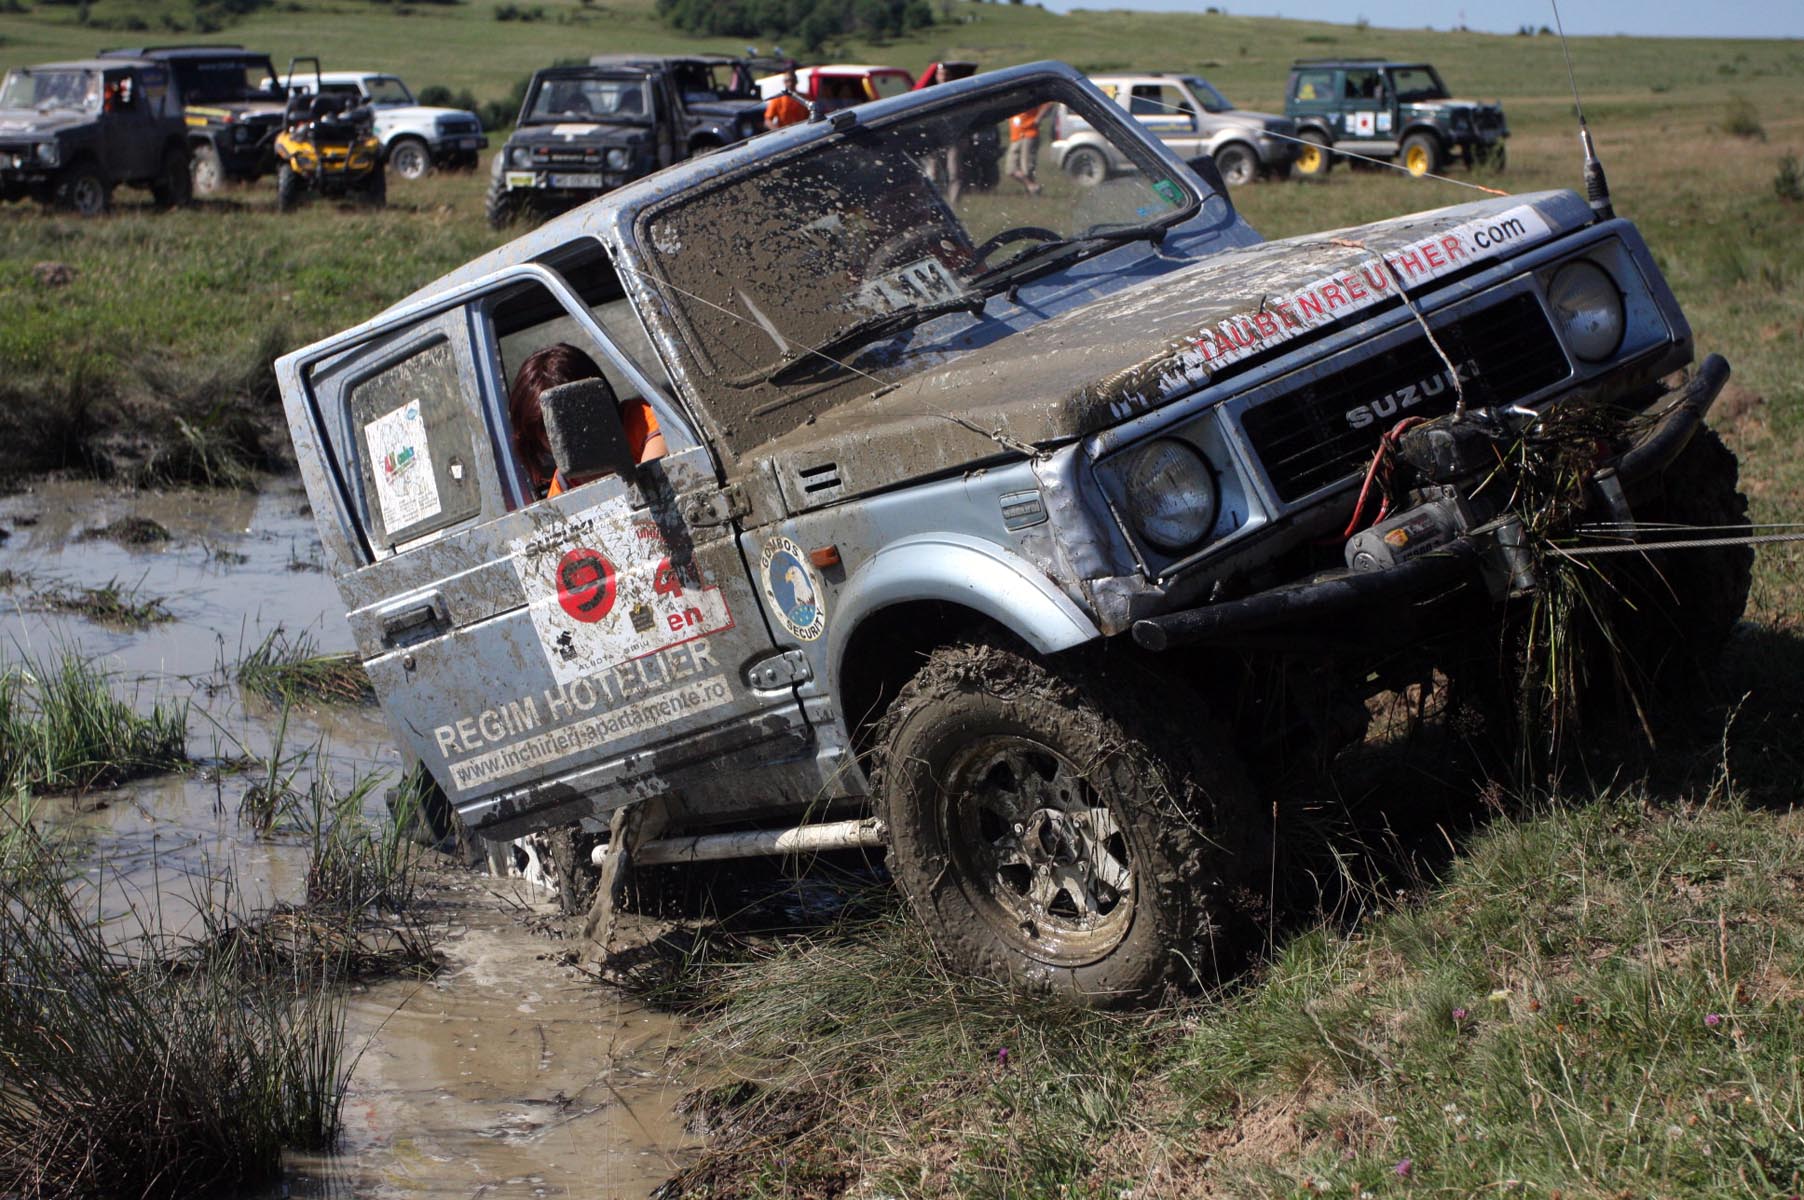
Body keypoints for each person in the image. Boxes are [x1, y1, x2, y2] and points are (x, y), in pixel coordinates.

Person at [507, 342, 665, 499]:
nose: (565, 438)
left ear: (596, 401)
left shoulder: (639, 421)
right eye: (549, 433)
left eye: (571, 419)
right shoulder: (564, 486)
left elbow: (659, 482)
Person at [1007, 102, 1048, 196]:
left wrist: (1038, 118)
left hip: (1028, 133)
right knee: (1011, 169)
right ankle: (1032, 186)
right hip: (1016, 135)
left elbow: (1047, 104)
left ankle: (1031, 191)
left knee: (1027, 168)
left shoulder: (1030, 94)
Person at [764, 66, 807, 131]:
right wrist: (778, 131)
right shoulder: (777, 99)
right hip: (785, 133)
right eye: (787, 81)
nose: (790, 83)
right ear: (784, 82)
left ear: (796, 81)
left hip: (802, 131)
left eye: (792, 80)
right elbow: (767, 120)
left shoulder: (804, 98)